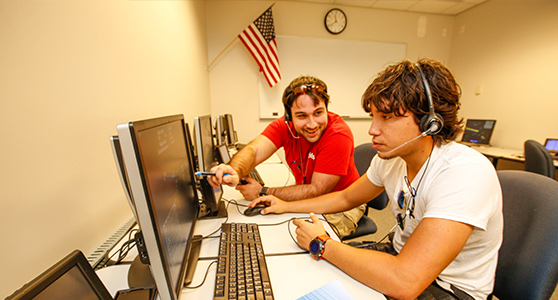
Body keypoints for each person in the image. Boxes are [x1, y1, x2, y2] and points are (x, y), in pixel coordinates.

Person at [248, 59, 503, 300]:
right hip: (399, 257)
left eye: (387, 117)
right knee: (308, 274)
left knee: (324, 262)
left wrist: (321, 243)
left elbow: (406, 281)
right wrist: (284, 206)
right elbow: (346, 197)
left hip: (448, 288)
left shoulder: (464, 172)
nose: (372, 129)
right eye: (373, 116)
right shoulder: (391, 158)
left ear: (429, 121)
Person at [209, 75, 365, 237]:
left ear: (327, 109)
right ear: (289, 116)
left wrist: (263, 191)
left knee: (301, 238)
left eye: (318, 113)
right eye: (302, 116)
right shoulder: (284, 126)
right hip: (311, 199)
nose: (312, 124)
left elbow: (317, 190)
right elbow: (254, 151)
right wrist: (234, 170)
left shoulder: (338, 134)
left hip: (343, 204)